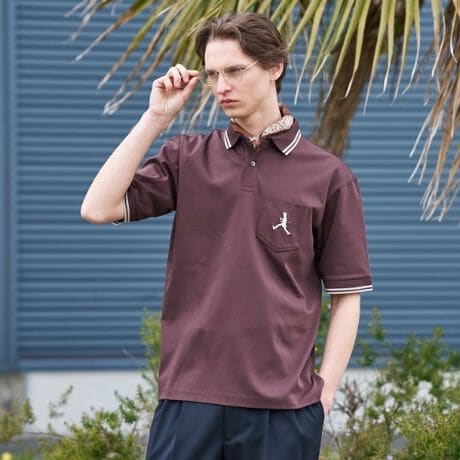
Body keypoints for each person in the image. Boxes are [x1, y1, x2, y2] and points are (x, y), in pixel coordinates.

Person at [80, 11, 373, 460]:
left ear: (274, 67)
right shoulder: (187, 158)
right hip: (188, 399)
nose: (221, 87)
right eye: (213, 74)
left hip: (284, 410)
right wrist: (155, 118)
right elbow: (97, 208)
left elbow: (346, 295)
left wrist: (323, 394)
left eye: (235, 70)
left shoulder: (329, 177)